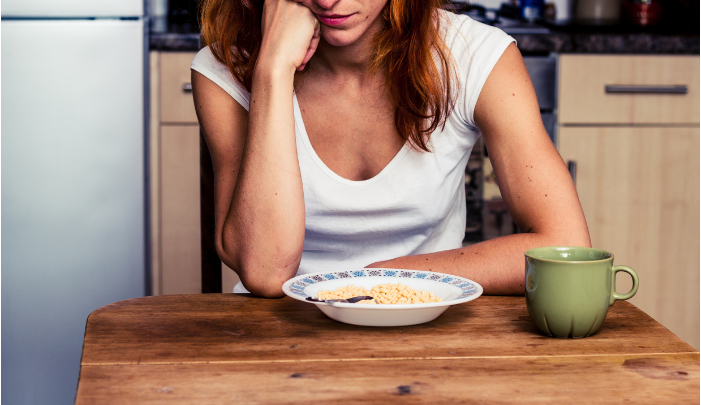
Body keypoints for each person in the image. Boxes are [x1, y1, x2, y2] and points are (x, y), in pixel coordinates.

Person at [190, 0, 591, 297]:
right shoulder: (224, 68)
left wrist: (382, 280)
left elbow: (564, 243)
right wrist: (272, 69)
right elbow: (265, 272)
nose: (330, 0)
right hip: (273, 335)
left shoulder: (474, 54)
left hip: (425, 315)